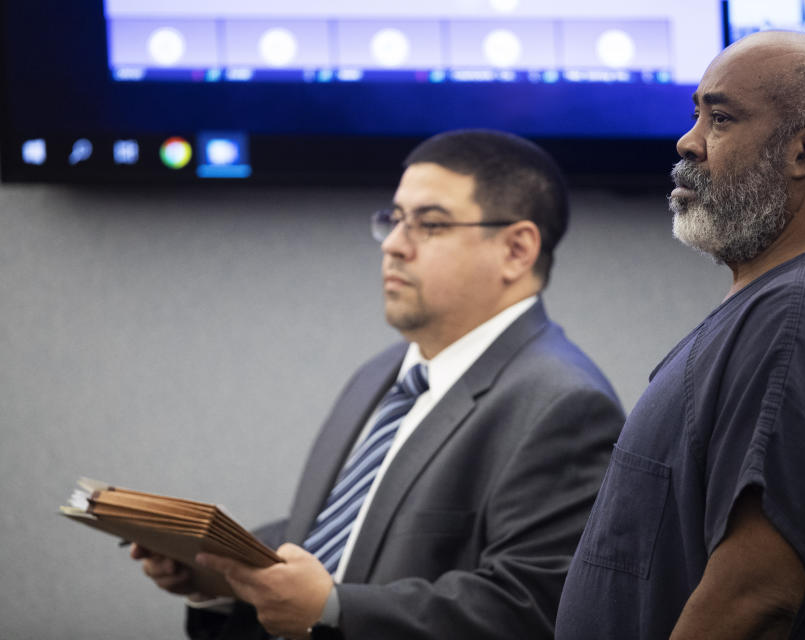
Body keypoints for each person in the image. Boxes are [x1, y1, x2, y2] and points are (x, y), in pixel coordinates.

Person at [133, 129, 625, 640]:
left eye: (429, 225)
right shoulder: (384, 371)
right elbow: (345, 538)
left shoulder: (566, 404)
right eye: (394, 220)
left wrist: (332, 609)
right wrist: (217, 571)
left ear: (517, 249)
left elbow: (530, 609)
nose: (393, 245)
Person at [556, 31, 805, 639]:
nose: (687, 141)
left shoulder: (802, 313)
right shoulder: (790, 301)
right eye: (695, 113)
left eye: (719, 118)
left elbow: (754, 597)